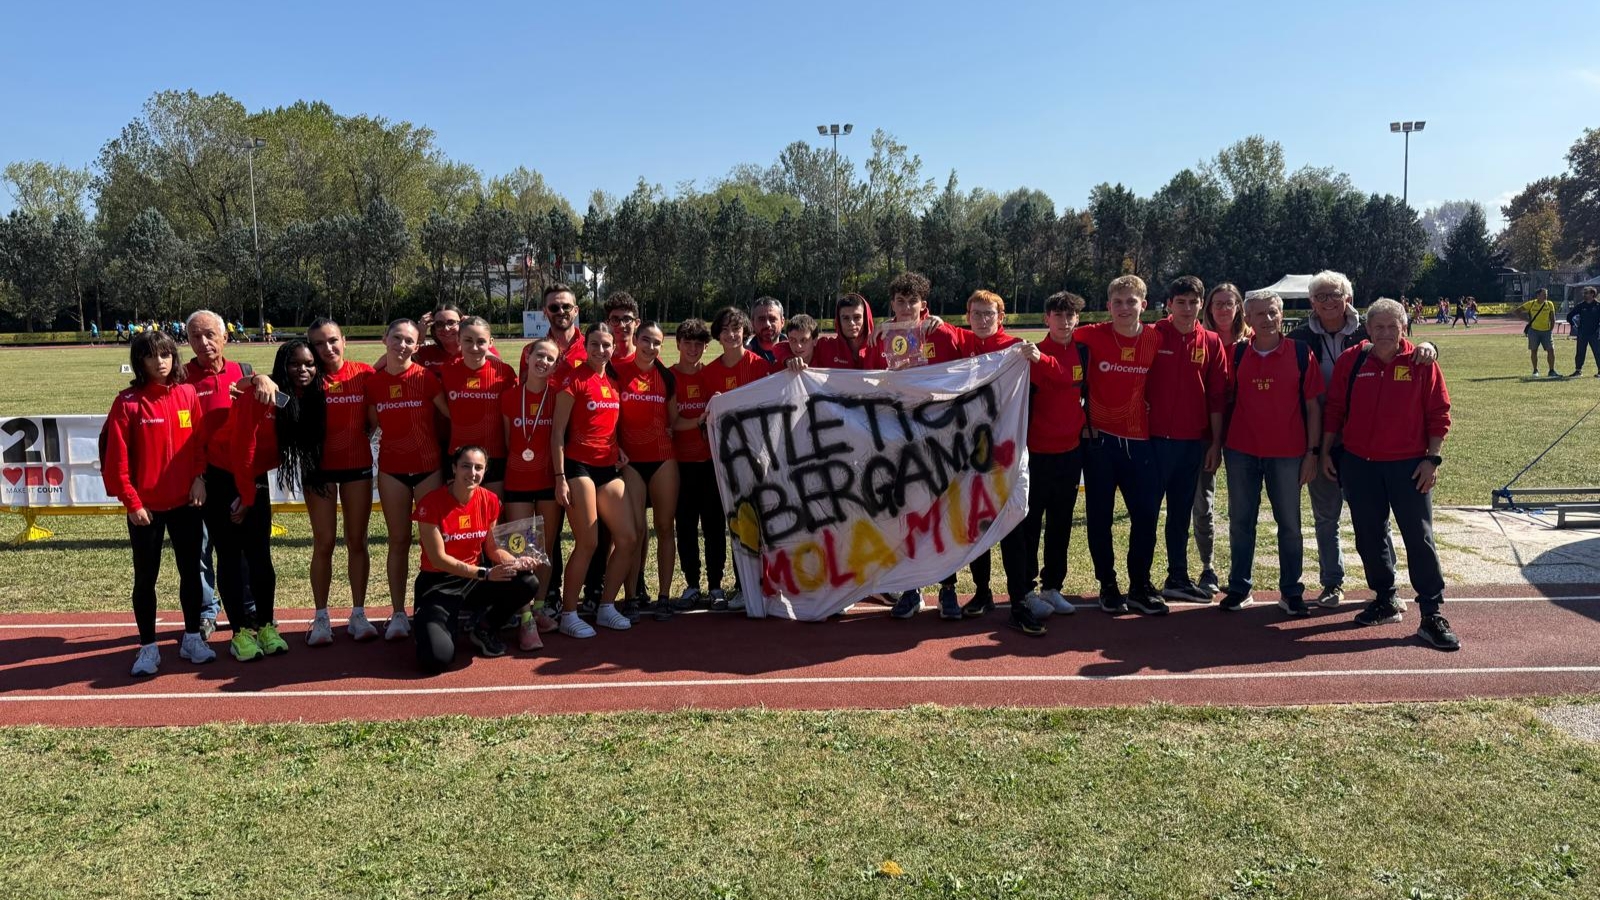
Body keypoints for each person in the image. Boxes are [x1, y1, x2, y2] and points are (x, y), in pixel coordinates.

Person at [1287, 271, 1436, 610]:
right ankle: (1333, 582)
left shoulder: (1367, 327)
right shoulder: (1299, 337)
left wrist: (1430, 346)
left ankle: (1390, 588)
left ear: (1348, 298)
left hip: (1370, 444)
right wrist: (1318, 448)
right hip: (1321, 436)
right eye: (1321, 296)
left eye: (1334, 294)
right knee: (1329, 517)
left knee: (1377, 521)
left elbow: (1404, 343)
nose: (1328, 301)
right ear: (1312, 302)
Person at [1320, 298, 1458, 650]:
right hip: (1359, 465)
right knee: (1369, 535)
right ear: (1367, 329)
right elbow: (1334, 410)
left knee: (1419, 537)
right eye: (1377, 326)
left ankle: (1431, 612)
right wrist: (1324, 452)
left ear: (1403, 328)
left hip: (1409, 466)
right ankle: (1385, 598)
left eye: (1391, 327)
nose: (1384, 333)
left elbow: (1439, 414)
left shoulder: (1421, 362)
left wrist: (1433, 460)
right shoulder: (1352, 362)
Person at [103, 330, 212, 676]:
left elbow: (198, 444)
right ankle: (148, 647)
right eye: (152, 356)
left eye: (166, 354)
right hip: (146, 510)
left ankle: (193, 637)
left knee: (191, 573)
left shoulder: (188, 393)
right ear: (140, 362)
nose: (160, 362)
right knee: (145, 578)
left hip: (185, 503)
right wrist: (132, 502)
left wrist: (199, 478)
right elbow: (116, 461)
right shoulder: (127, 403)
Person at [1219, 291, 1324, 616]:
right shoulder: (1235, 354)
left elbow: (1313, 408)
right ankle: (1239, 587)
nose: (1267, 319)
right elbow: (1221, 403)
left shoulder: (1301, 353)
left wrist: (1312, 453)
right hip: (1241, 452)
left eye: (1273, 312)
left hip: (1289, 454)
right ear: (1247, 319)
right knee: (1240, 522)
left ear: (1282, 315)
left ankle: (1291, 591)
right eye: (1260, 314)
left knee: (1290, 525)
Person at [996, 291, 1089, 634]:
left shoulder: (1081, 350)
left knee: (1062, 523)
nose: (1065, 322)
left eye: (1070, 316)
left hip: (1071, 452)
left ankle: (1053, 586)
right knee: (1030, 524)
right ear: (1047, 319)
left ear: (1077, 319)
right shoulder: (1028, 354)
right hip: (1036, 454)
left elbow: (1067, 378)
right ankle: (1029, 589)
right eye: (1058, 315)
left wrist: (1044, 361)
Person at [1075, 275, 1165, 616]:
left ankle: (1140, 584)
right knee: (1099, 517)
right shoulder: (1091, 334)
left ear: (1144, 303)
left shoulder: (1156, 337)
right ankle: (1108, 584)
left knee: (1145, 516)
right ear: (1109, 305)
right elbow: (1056, 335)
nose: (1125, 308)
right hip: (1099, 442)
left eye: (1132, 301)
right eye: (1118, 302)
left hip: (1140, 442)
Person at [413, 446, 541, 673]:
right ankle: (427, 626)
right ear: (453, 468)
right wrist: (484, 573)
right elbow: (439, 559)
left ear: (485, 471)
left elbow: (492, 549)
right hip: (439, 584)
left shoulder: (490, 500)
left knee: (527, 581)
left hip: (475, 580)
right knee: (437, 659)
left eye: (478, 468)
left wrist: (516, 562)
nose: (472, 472)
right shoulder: (430, 504)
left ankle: (484, 628)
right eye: (466, 466)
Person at [364, 318, 451, 641]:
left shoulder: (427, 378)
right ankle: (398, 612)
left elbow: (451, 416)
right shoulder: (373, 383)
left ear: (418, 346)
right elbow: (371, 426)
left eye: (409, 341)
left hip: (429, 468)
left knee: (433, 544)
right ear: (385, 339)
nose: (401, 345)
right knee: (398, 541)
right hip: (392, 471)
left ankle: (433, 608)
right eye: (396, 338)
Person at [551, 323, 639, 636]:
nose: (601, 351)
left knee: (628, 539)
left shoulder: (613, 380)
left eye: (607, 345)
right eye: (595, 345)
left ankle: (605, 606)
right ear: (585, 346)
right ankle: (569, 613)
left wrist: (620, 449)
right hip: (578, 468)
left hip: (608, 467)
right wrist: (560, 477)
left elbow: (608, 425)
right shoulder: (573, 379)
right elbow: (557, 433)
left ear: (614, 347)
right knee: (588, 542)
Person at [221, 341, 306, 662]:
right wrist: (244, 496)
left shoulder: (290, 398)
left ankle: (267, 626)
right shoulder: (263, 394)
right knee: (231, 554)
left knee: (260, 555)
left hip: (253, 476)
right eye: (296, 364)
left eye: (309, 364)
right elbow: (242, 449)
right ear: (282, 365)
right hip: (226, 474)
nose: (304, 370)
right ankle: (240, 633)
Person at [1146, 276, 1229, 604]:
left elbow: (1217, 398)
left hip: (1192, 443)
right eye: (1180, 302)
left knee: (1180, 514)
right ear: (1169, 305)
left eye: (1193, 302)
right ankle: (1140, 579)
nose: (1187, 308)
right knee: (1147, 514)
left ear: (1201, 305)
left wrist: (1215, 442)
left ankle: (1177, 577)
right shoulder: (1152, 336)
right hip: (1152, 441)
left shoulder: (1210, 341)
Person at [183, 309, 265, 639]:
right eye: (194, 337)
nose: (202, 343)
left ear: (224, 337)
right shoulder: (181, 377)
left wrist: (263, 379)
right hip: (198, 478)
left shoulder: (243, 372)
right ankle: (207, 610)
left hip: (235, 475)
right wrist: (196, 476)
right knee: (200, 549)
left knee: (239, 549)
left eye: (209, 335)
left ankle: (246, 608)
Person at [303, 318, 379, 644]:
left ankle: (358, 614)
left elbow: (372, 421)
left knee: (357, 540)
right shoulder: (305, 378)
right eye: (319, 344)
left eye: (332, 340)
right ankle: (321, 617)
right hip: (318, 471)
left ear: (344, 341)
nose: (327, 348)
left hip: (356, 467)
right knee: (324, 543)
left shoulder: (364, 373)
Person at [703, 307, 770, 611]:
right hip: (724, 463)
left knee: (760, 522)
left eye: (737, 328)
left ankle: (763, 584)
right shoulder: (708, 373)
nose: (732, 335)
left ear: (746, 330)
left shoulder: (760, 367)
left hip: (756, 460)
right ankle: (740, 585)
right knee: (735, 523)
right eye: (725, 330)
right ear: (717, 335)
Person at [501, 336, 562, 651]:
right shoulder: (510, 397)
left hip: (548, 481)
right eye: (540, 355)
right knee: (520, 550)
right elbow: (510, 441)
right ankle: (524, 620)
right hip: (517, 481)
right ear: (528, 358)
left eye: (551, 359)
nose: (544, 362)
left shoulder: (559, 398)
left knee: (545, 549)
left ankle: (538, 609)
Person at [618, 320, 680, 621]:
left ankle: (664, 597)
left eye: (656, 342)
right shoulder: (618, 371)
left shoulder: (666, 377)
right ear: (636, 339)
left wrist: (707, 416)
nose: (650, 347)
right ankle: (631, 596)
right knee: (637, 531)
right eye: (646, 340)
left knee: (665, 528)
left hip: (663, 459)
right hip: (630, 462)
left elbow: (673, 423)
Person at [1191, 283, 1249, 595]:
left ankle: (1242, 572)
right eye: (1218, 304)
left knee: (1243, 507)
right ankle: (1208, 568)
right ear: (1208, 309)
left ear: (1239, 306)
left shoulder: (1254, 341)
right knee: (1204, 503)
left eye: (1229, 303)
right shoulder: (1200, 340)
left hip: (1244, 432)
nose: (1224, 309)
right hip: (1205, 432)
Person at [669, 318, 723, 612]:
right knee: (686, 526)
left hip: (711, 463)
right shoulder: (668, 377)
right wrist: (700, 420)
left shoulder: (712, 374)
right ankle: (692, 584)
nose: (693, 349)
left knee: (715, 526)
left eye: (699, 344)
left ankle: (716, 585)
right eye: (687, 343)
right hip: (681, 464)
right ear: (677, 344)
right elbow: (672, 422)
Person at [441, 317, 517, 496]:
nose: (474, 347)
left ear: (491, 342)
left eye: (481, 341)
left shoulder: (504, 373)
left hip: (495, 456)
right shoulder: (448, 371)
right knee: (459, 515)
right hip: (458, 457)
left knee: (494, 518)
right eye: (468, 340)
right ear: (458, 340)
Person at [1520, 289, 1559, 378]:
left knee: (1551, 350)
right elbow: (1517, 311)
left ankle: (1552, 370)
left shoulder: (1549, 304)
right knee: (1534, 350)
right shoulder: (1531, 304)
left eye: (1546, 294)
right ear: (1538, 295)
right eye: (1543, 294)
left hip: (1546, 331)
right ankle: (1535, 370)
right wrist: (1527, 320)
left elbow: (1553, 318)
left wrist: (1551, 329)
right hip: (1533, 331)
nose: (1546, 296)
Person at [1568, 287, 1600, 378]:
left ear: (1592, 294)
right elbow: (1569, 316)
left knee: (1598, 352)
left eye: (1587, 293)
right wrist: (1574, 325)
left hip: (1595, 333)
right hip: (1582, 333)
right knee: (1580, 352)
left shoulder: (1598, 305)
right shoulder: (1581, 305)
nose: (1585, 295)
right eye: (1584, 293)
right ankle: (1578, 371)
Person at [747, 296, 786, 368]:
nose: (767, 324)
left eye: (772, 319)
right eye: (761, 319)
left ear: (782, 322)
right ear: (752, 323)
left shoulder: (797, 351)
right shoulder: (744, 355)